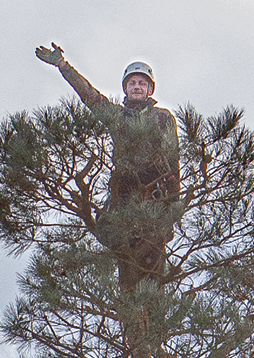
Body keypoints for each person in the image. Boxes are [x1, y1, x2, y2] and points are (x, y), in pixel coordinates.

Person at [35, 45, 181, 288]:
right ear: (125, 88)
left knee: (154, 273)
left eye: (142, 83)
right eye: (132, 82)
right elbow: (89, 95)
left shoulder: (163, 117)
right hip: (124, 196)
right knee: (126, 265)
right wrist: (63, 66)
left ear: (149, 89)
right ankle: (130, 317)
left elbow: (173, 159)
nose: (137, 86)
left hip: (155, 197)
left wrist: (173, 204)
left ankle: (151, 318)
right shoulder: (117, 116)